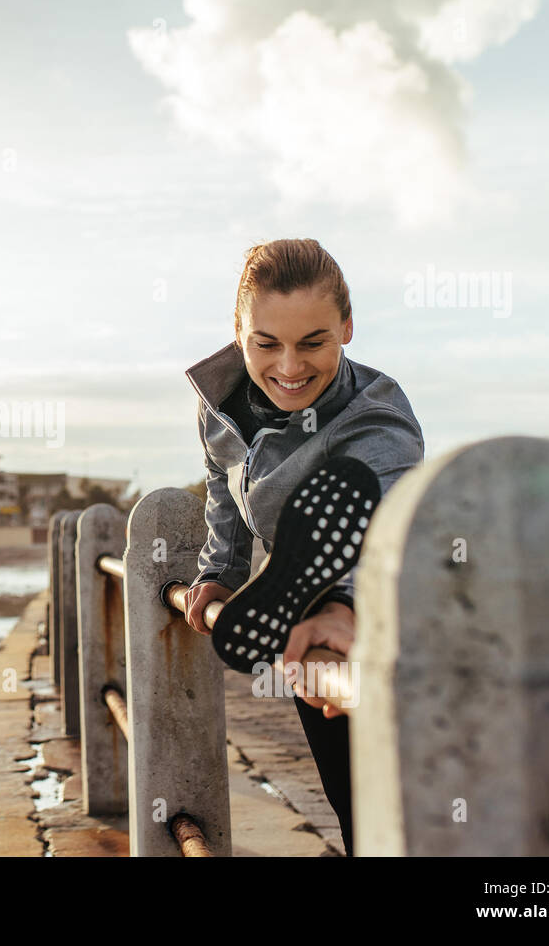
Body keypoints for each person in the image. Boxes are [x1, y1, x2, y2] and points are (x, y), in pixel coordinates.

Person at [182, 238, 425, 856]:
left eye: (313, 341)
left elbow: (382, 518)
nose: (289, 366)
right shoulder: (220, 403)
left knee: (408, 810)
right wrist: (220, 572)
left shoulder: (377, 418)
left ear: (347, 328)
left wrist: (344, 605)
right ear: (238, 333)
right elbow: (221, 479)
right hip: (297, 613)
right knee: (352, 804)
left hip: (394, 614)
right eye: (266, 343)